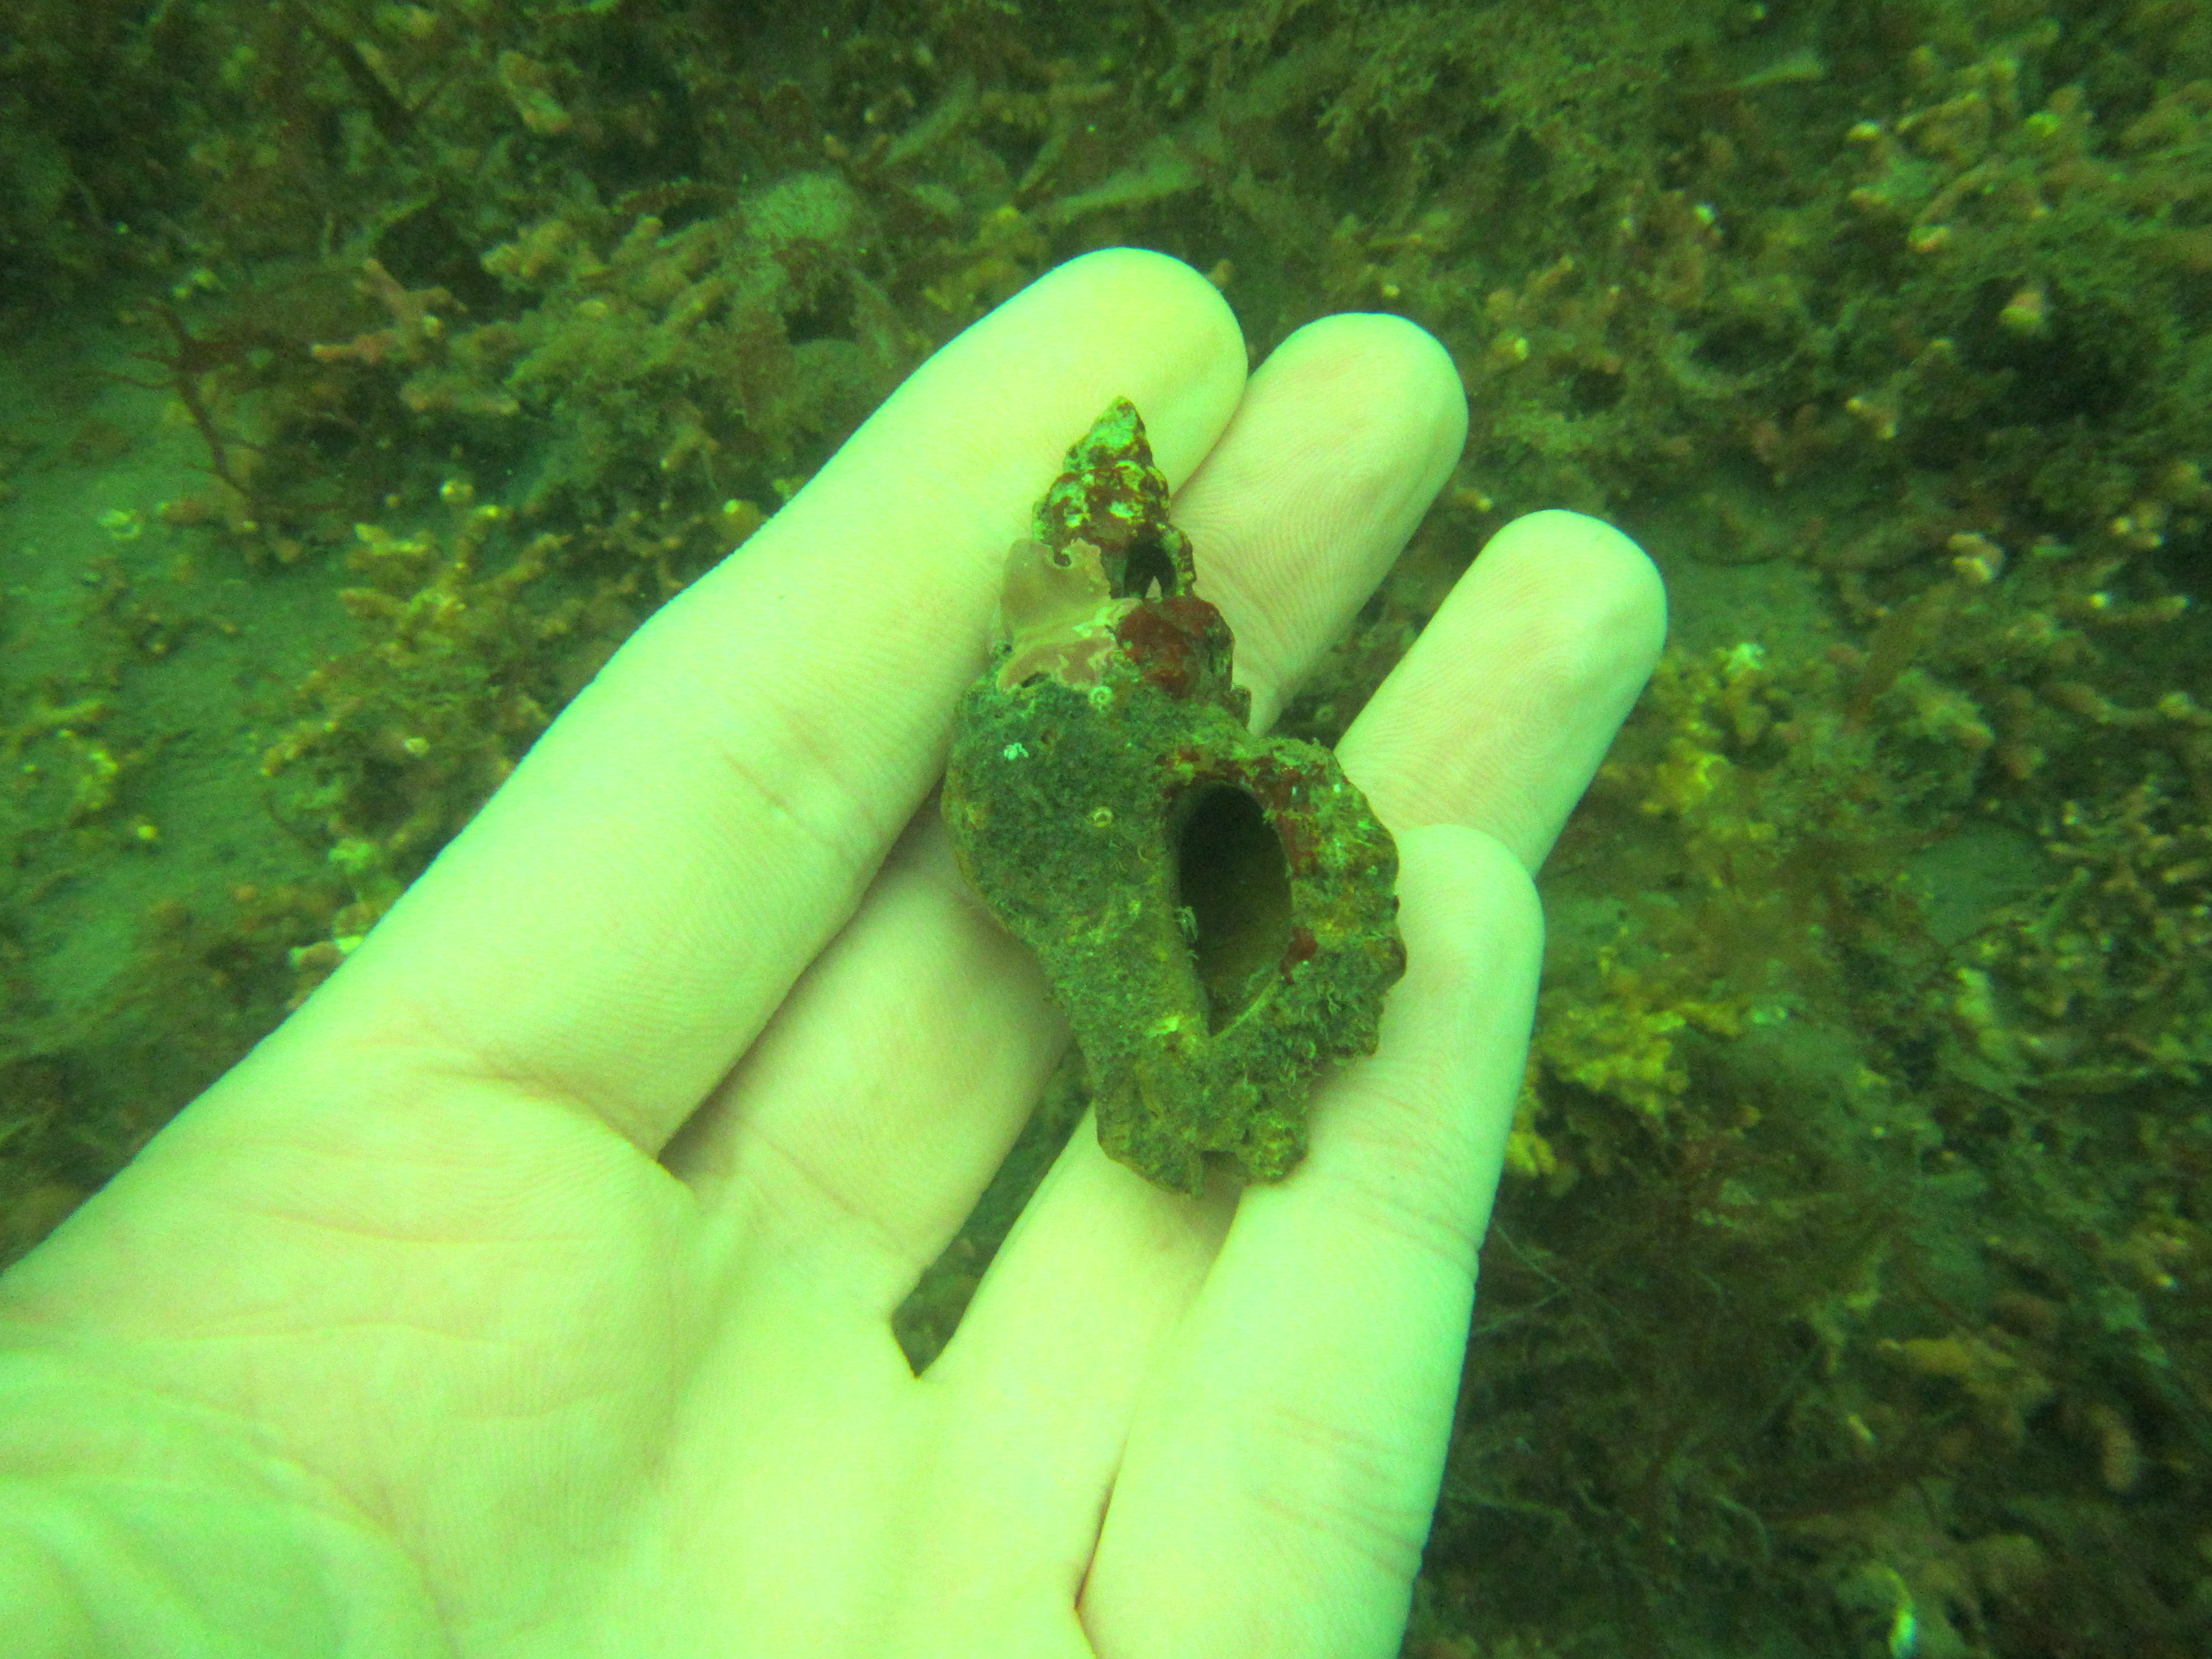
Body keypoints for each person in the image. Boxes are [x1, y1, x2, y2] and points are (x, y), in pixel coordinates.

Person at [0, 249, 1663, 1658]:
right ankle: (1186, 1067)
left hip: (1127, 826)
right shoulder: (1053, 722)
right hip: (1112, 828)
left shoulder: (1084, 735)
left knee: (1206, 952)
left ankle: (1187, 1065)